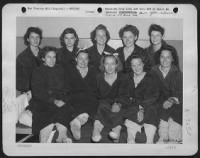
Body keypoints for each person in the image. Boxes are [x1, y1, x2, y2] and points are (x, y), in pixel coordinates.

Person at [30, 46, 74, 143]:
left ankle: (62, 136)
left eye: (54, 57)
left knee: (65, 109)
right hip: (43, 101)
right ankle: (44, 142)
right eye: (49, 57)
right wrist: (54, 100)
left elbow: (67, 87)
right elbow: (38, 92)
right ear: (43, 58)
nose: (52, 60)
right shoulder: (37, 71)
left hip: (60, 99)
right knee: (47, 117)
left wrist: (63, 99)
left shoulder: (60, 69)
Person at [91, 53, 129, 142]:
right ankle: (96, 131)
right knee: (102, 107)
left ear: (117, 65)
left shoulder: (123, 77)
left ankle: (116, 131)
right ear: (103, 65)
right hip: (103, 104)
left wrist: (118, 104)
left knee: (120, 110)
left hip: (120, 103)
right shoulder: (98, 77)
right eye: (107, 63)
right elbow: (95, 95)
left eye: (112, 63)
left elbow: (125, 95)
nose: (110, 66)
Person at [123, 54, 160, 144]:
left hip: (148, 104)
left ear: (143, 64)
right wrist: (135, 104)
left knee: (152, 110)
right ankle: (130, 138)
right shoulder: (127, 78)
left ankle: (149, 140)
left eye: (139, 64)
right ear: (130, 66)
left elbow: (154, 96)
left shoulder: (151, 77)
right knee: (130, 110)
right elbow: (125, 95)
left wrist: (142, 107)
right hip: (132, 105)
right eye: (133, 65)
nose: (137, 68)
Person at [150, 45, 182, 144]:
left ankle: (174, 139)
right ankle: (163, 138)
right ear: (158, 58)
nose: (164, 60)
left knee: (175, 114)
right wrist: (162, 102)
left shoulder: (178, 74)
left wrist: (171, 100)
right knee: (162, 117)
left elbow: (181, 93)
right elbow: (150, 92)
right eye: (162, 57)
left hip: (175, 103)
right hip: (159, 102)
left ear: (172, 59)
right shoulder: (152, 72)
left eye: (168, 57)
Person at [66, 50, 99, 141]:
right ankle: (80, 119)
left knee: (94, 103)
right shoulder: (69, 71)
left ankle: (78, 121)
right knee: (72, 104)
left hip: (90, 99)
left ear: (89, 60)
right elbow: (66, 89)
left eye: (86, 59)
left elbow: (96, 89)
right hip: (74, 98)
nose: (83, 61)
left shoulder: (93, 71)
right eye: (80, 58)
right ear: (76, 59)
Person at [16, 27, 43, 124]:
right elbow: (19, 83)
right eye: (32, 37)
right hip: (30, 94)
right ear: (28, 39)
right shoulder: (22, 57)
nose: (35, 40)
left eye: (38, 37)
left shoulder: (45, 54)